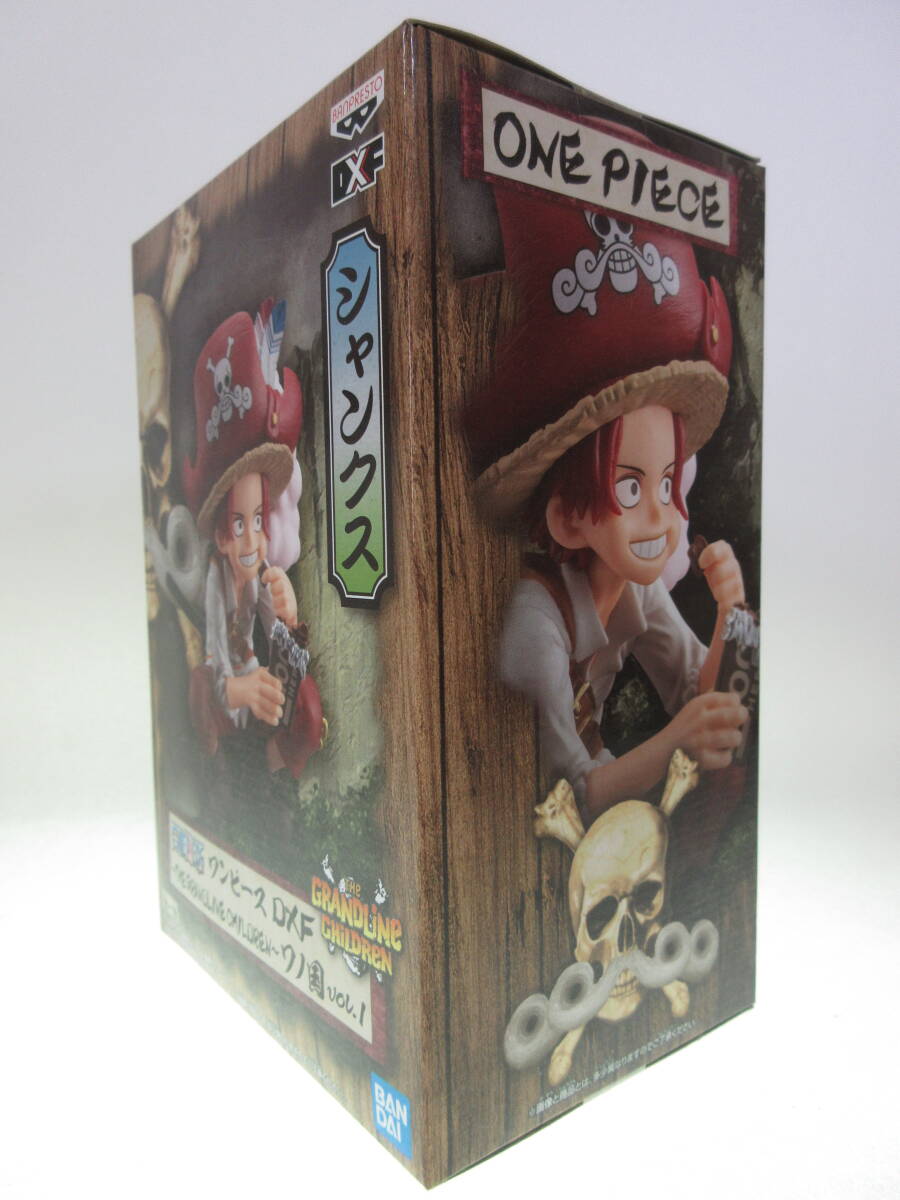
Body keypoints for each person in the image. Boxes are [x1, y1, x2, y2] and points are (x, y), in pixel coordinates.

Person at [183, 301, 324, 778]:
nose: (251, 541)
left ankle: (278, 763)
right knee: (203, 688)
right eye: (240, 526)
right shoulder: (217, 583)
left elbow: (285, 644)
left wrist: (288, 615)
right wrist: (237, 689)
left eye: (258, 521)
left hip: (264, 705)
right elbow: (213, 660)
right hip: (231, 701)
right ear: (223, 537)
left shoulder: (262, 571)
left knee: (306, 703)